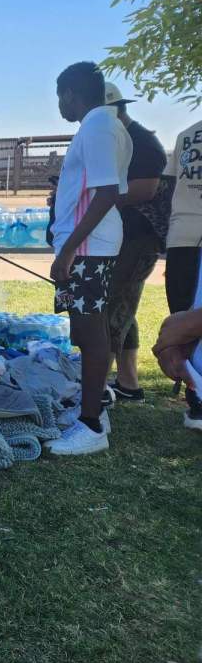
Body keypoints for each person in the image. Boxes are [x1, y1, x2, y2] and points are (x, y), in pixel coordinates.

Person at [45, 61, 132, 456]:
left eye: (59, 97)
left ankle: (91, 425)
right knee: (83, 331)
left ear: (70, 94)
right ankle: (92, 405)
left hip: (86, 249)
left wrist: (67, 251)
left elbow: (107, 193)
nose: (59, 105)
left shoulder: (97, 127)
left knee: (91, 331)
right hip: (88, 246)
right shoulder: (108, 126)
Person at [102, 82, 169, 404]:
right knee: (123, 308)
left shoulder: (142, 142)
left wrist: (94, 201)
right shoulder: (118, 140)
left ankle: (96, 388)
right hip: (119, 237)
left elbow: (145, 190)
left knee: (112, 309)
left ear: (114, 112)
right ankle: (128, 384)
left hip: (138, 239)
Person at [165, 118, 202, 428]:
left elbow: (168, 186)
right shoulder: (184, 134)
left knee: (184, 320)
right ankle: (196, 396)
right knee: (187, 321)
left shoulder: (186, 134)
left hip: (183, 236)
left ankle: (196, 399)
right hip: (184, 236)